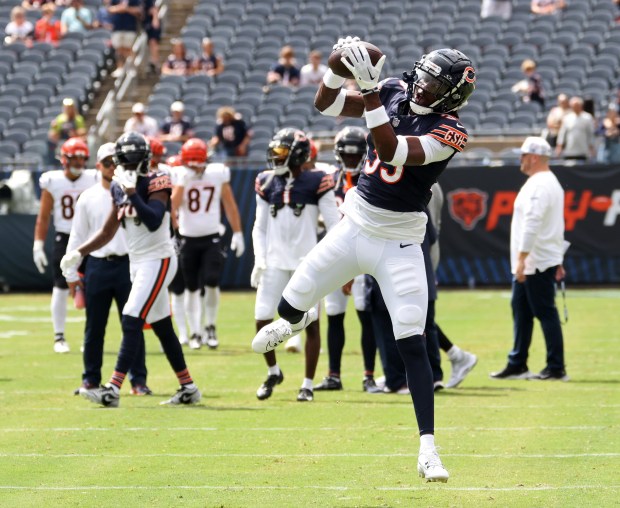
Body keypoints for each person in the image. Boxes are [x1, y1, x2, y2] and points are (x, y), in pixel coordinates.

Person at [251, 38, 477, 482]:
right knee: (292, 300)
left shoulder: (451, 131)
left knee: (411, 337)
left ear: (451, 96)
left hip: (399, 242)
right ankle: (294, 324)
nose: (423, 86)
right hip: (354, 226)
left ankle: (428, 449)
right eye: (424, 76)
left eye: (434, 84)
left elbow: (393, 151)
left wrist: (372, 92)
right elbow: (326, 105)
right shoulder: (394, 89)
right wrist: (337, 69)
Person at [60, 131, 202, 407]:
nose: (123, 165)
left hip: (159, 258)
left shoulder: (158, 180)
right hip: (137, 262)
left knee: (131, 316)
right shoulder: (117, 186)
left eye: (128, 159)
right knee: (162, 326)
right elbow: (109, 229)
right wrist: (78, 252)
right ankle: (188, 387)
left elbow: (153, 219)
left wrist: (132, 193)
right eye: (120, 159)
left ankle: (112, 389)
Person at [251, 128, 339, 402]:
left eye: (281, 153)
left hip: (306, 263)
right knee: (262, 317)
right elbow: (260, 227)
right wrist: (259, 257)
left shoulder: (318, 180)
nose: (275, 158)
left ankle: (308, 383)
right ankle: (273, 371)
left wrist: (329, 263)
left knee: (310, 323)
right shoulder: (266, 181)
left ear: (297, 155)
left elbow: (335, 226)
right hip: (275, 262)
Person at [63, 143, 150, 395]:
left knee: (132, 324)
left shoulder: (131, 192)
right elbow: (78, 236)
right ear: (98, 165)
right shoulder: (88, 197)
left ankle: (138, 380)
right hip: (98, 265)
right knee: (94, 327)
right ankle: (90, 379)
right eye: (108, 162)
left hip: (128, 264)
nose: (113, 167)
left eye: (117, 162)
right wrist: (71, 270)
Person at [490, 137, 568, 382]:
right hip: (537, 259)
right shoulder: (547, 182)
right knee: (521, 310)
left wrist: (523, 259)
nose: (520, 160)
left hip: (535, 262)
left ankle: (556, 367)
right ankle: (517, 363)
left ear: (534, 157)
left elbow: (533, 223)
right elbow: (554, 225)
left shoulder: (540, 185)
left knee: (545, 312)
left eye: (523, 156)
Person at [313, 126, 381, 393]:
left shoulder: (370, 177)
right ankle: (334, 375)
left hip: (364, 254)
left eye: (356, 156)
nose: (351, 161)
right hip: (334, 254)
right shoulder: (329, 180)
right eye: (347, 156)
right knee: (334, 316)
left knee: (365, 315)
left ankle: (369, 375)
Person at [171, 138, 245, 350]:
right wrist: (182, 184)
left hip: (212, 237)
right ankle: (195, 331)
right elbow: (172, 207)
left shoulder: (217, 173)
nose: (195, 167)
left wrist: (238, 233)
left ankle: (210, 326)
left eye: (198, 162)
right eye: (191, 163)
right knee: (191, 287)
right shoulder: (180, 176)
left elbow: (229, 204)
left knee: (212, 281)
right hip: (188, 239)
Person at [33, 137, 98, 353]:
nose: (79, 164)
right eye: (74, 159)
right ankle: (59, 337)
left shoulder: (94, 178)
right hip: (65, 238)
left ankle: (90, 337)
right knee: (60, 287)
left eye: (82, 160)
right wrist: (38, 244)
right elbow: (43, 217)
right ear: (64, 159)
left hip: (90, 239)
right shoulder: (53, 181)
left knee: (94, 288)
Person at [426, 183, 478, 389]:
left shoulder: (427, 183)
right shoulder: (431, 182)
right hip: (422, 250)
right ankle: (399, 371)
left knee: (420, 316)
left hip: (421, 251)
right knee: (414, 315)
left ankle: (433, 374)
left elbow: (424, 228)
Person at [108, 0, 142, 78]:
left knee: (128, 48)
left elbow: (138, 10)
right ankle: (120, 67)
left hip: (130, 27)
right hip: (117, 28)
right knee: (118, 49)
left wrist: (126, 9)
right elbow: (110, 9)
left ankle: (132, 67)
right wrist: (120, 8)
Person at [48, 98, 87, 165]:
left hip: (75, 145)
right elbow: (53, 135)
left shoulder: (78, 119)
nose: (69, 109)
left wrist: (75, 134)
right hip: (63, 145)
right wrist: (54, 128)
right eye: (67, 107)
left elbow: (83, 133)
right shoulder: (59, 119)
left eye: (70, 107)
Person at [142, 0, 161, 75]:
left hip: (151, 24)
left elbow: (154, 9)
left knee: (153, 42)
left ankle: (154, 62)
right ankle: (150, 63)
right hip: (144, 24)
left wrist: (155, 20)